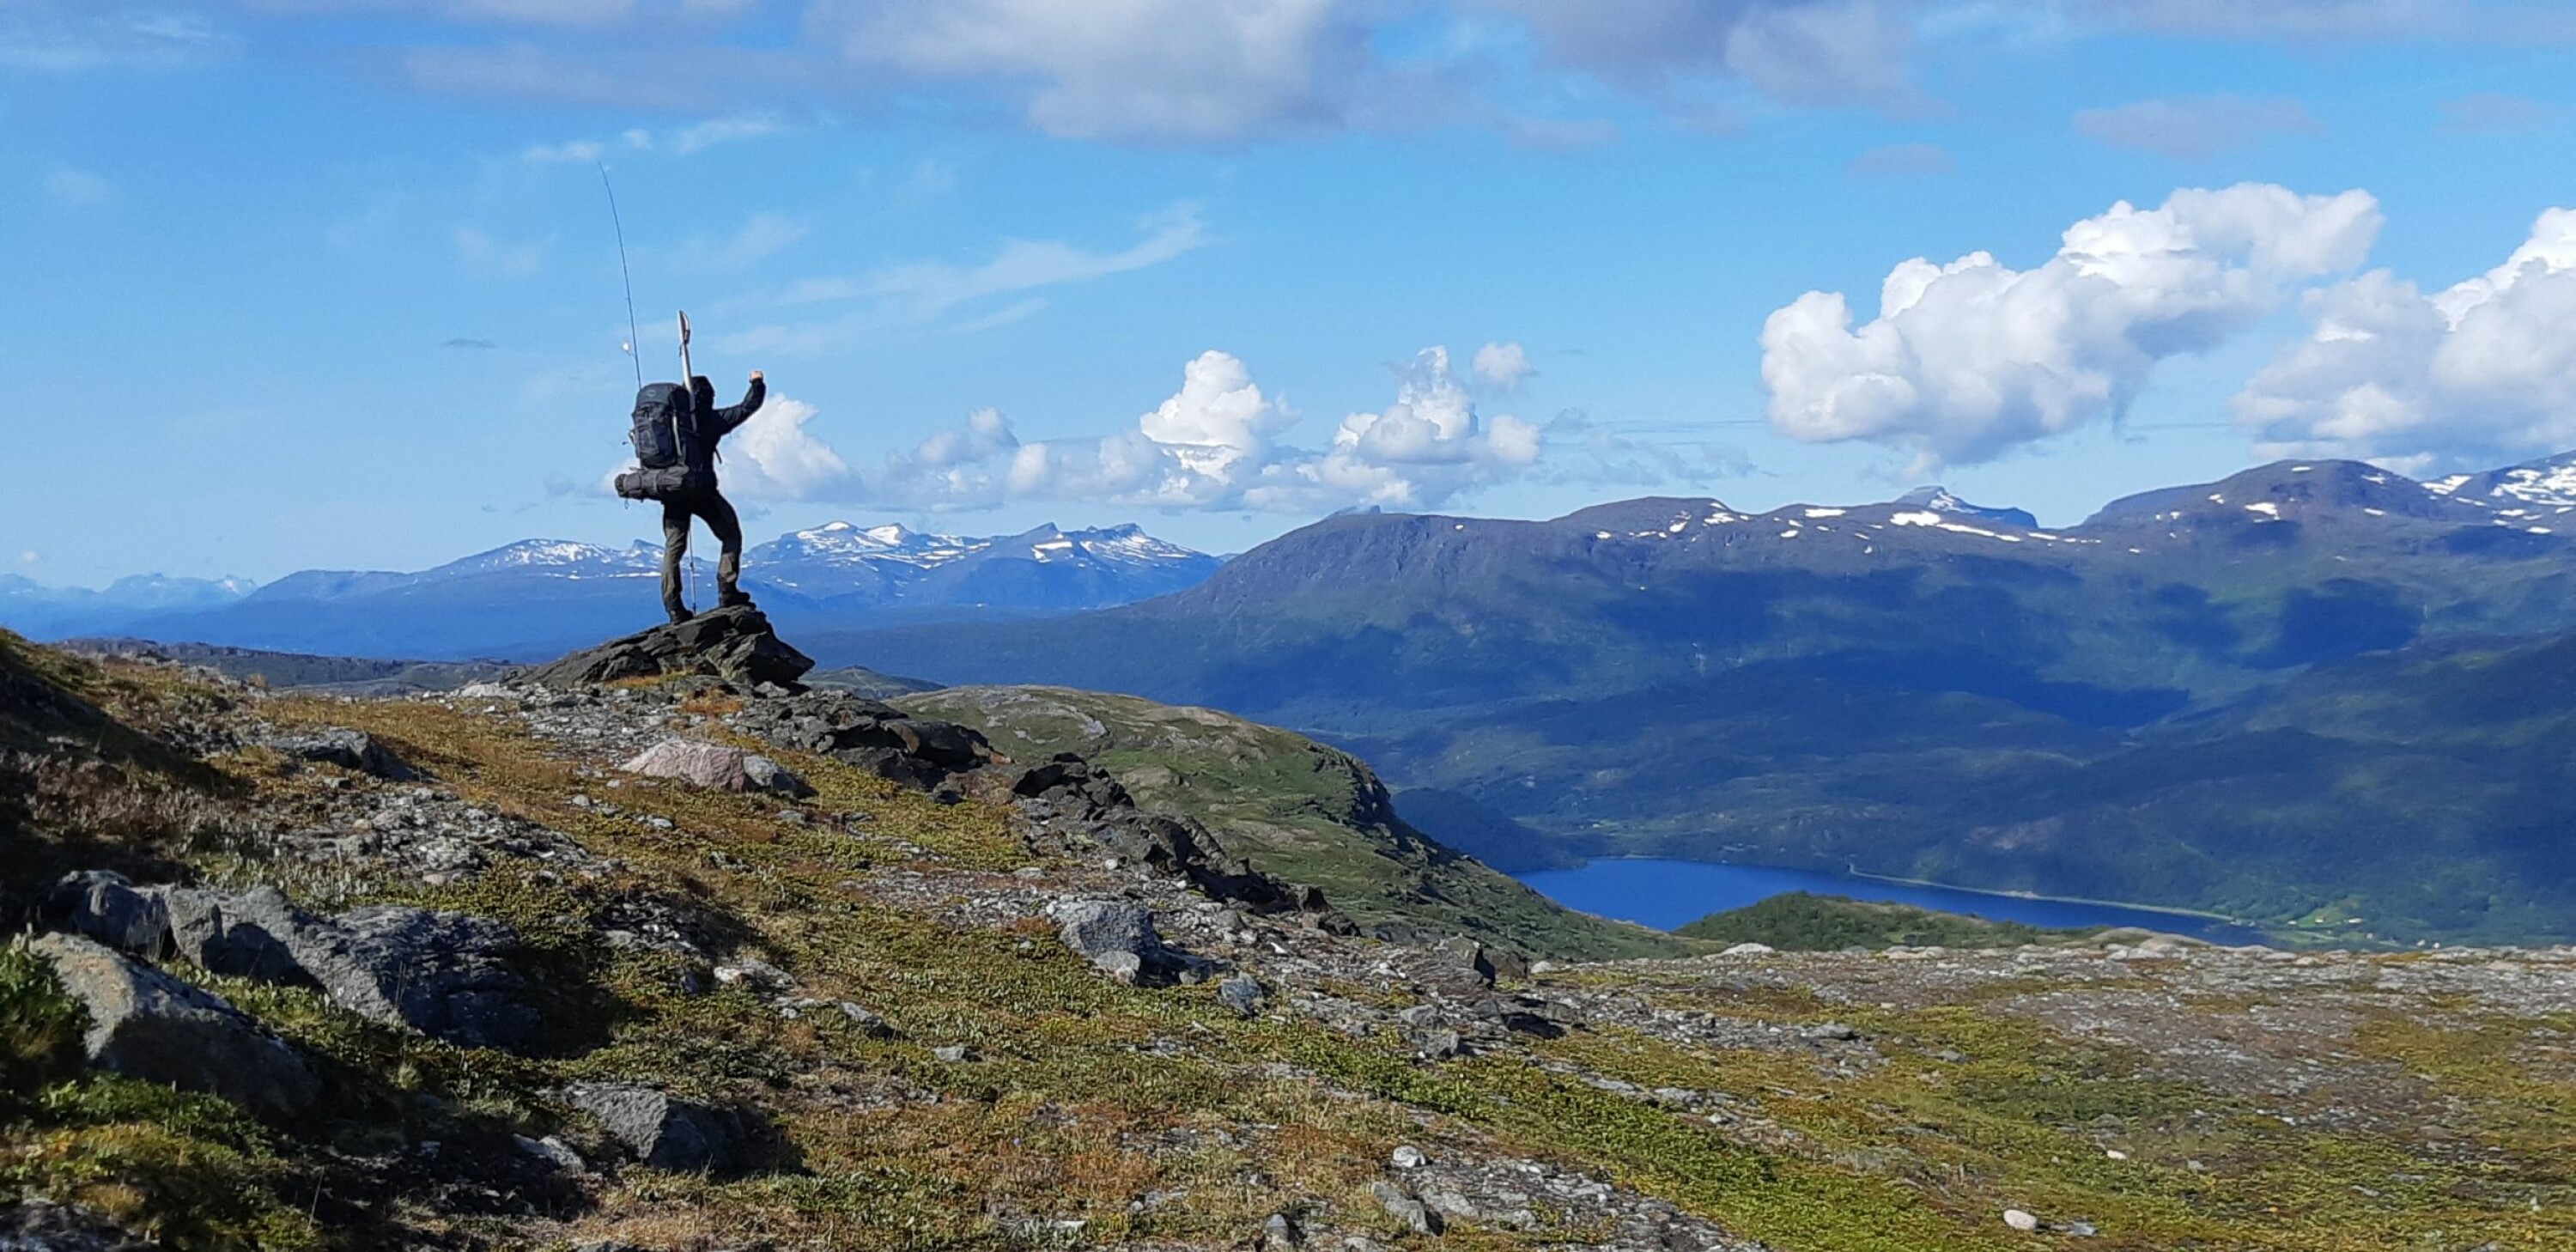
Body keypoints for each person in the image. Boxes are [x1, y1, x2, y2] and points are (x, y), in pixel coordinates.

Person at [659, 368, 765, 624]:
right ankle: (727, 589)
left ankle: (673, 606)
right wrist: (757, 383)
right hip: (702, 492)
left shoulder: (668, 424)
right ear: (709, 397)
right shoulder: (713, 420)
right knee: (730, 534)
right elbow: (747, 407)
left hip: (673, 492)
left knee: (674, 548)